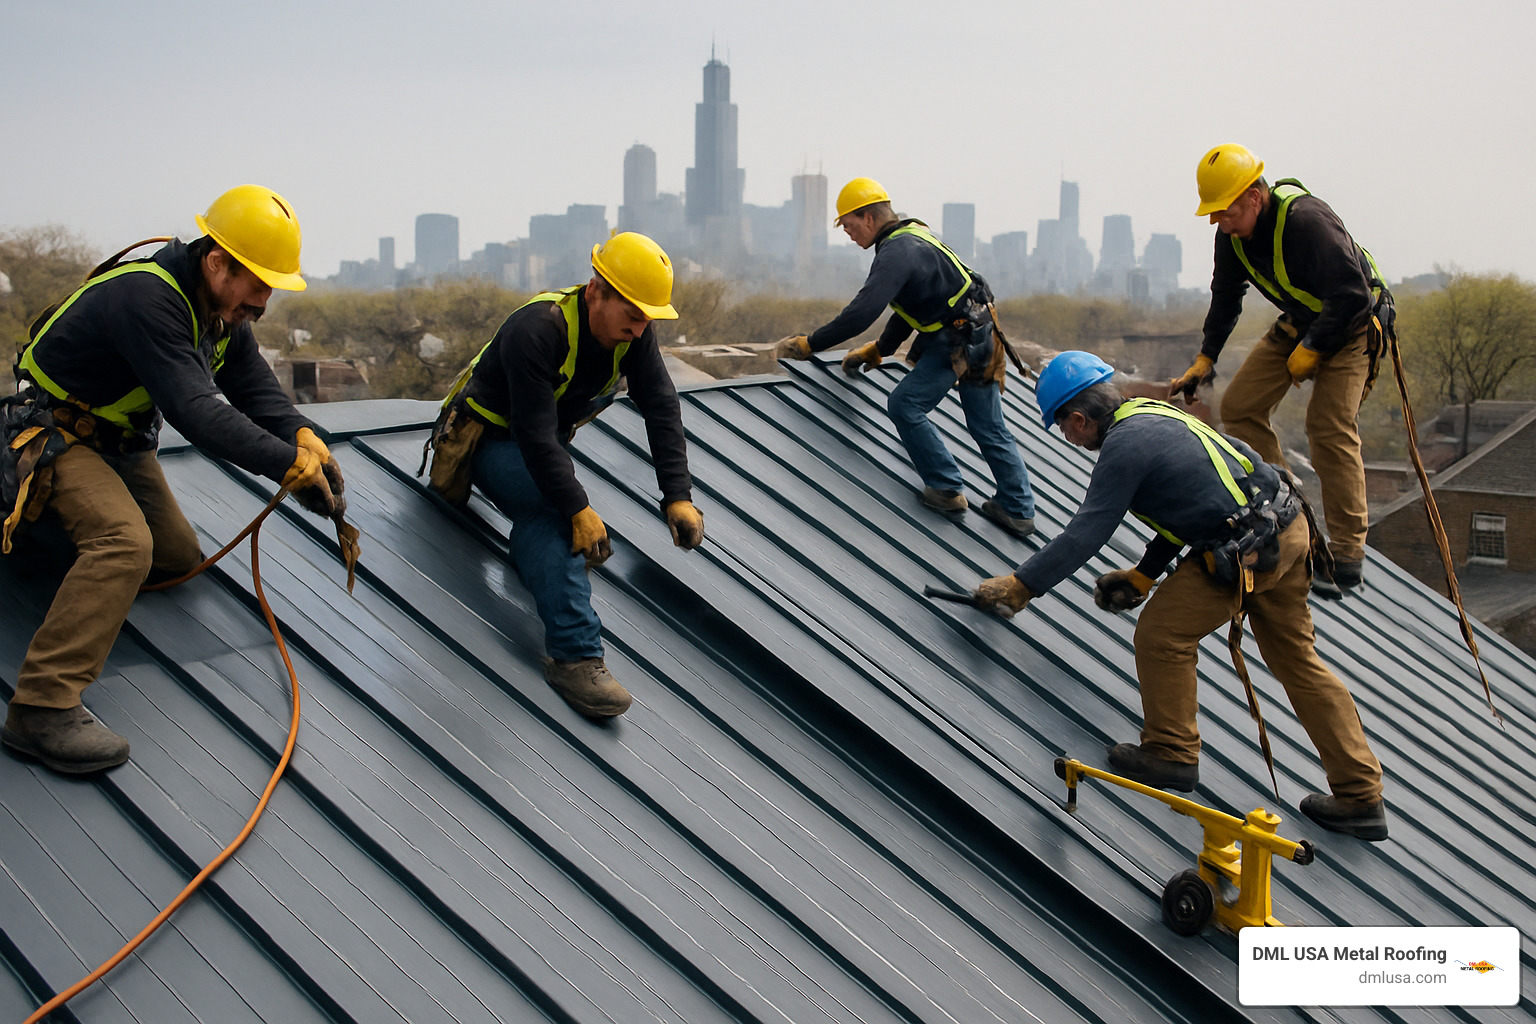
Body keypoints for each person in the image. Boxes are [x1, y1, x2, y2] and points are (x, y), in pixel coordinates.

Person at [974, 351, 1388, 840]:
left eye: (1062, 426)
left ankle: (1171, 753)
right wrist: (1145, 575)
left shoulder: (1123, 447)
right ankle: (1361, 795)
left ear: (1080, 419)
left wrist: (1022, 585)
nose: (1067, 437)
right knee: (1298, 661)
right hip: (1286, 531)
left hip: (1248, 547)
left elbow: (1087, 532)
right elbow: (1195, 503)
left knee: (1162, 634)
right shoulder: (1155, 416)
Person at [2, 185, 345, 774]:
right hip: (57, 435)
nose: (262, 303)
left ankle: (44, 541)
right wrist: (283, 464)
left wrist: (301, 433)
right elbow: (197, 411)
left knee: (174, 555)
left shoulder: (217, 310)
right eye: (258, 285)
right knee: (123, 545)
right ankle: (40, 707)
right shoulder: (148, 300)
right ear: (217, 263)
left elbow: (252, 385)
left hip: (119, 442)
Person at [434, 232, 702, 718]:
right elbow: (534, 435)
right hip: (491, 440)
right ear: (597, 291)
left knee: (556, 514)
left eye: (647, 319)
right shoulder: (537, 329)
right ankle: (575, 657)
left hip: (541, 442)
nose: (641, 330)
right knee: (557, 517)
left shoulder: (633, 335)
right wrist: (577, 509)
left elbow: (662, 407)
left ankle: (542, 563)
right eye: (633, 315)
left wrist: (677, 495)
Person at [1170, 143, 1392, 598]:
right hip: (1303, 321)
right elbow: (1226, 295)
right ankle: (1294, 519)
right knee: (1240, 407)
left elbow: (1352, 295)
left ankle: (1347, 558)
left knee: (1327, 425)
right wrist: (1206, 358)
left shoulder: (1307, 222)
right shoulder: (1232, 236)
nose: (1217, 221)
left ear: (1254, 196)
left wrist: (1313, 348)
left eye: (1224, 210)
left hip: (1351, 327)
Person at [774, 177, 1037, 538]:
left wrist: (810, 344)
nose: (849, 235)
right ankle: (1018, 509)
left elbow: (861, 313)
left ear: (868, 218)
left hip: (957, 340)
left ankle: (945, 488)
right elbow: (913, 307)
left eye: (849, 226)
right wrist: (880, 348)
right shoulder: (915, 235)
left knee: (904, 404)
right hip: (982, 334)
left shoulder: (896, 252)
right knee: (988, 426)